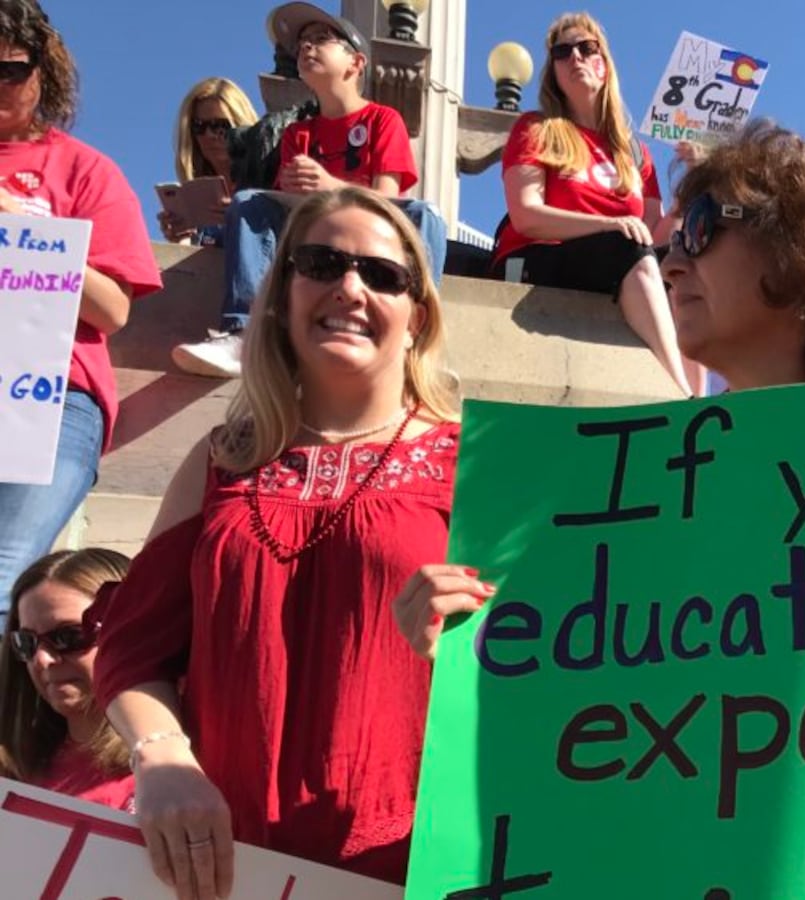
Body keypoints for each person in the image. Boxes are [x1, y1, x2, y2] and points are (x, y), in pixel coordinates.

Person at [395, 122, 805, 658]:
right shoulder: (632, 487)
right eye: (673, 242)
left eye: (699, 229)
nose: (670, 264)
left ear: (803, 244)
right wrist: (471, 643)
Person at [97, 186, 461, 894]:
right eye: (322, 263)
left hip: (412, 863)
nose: (351, 287)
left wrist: (475, 633)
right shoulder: (218, 460)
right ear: (283, 294)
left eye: (384, 275)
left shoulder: (474, 464)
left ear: (417, 318)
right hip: (230, 862)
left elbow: (539, 662)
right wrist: (163, 756)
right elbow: (132, 648)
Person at [171, 3, 447, 380]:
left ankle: (416, 342)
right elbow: (292, 207)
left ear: (356, 63)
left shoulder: (383, 119)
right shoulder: (297, 134)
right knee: (250, 201)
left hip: (372, 235)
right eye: (301, 43)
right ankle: (243, 331)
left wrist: (330, 187)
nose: (306, 48)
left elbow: (389, 198)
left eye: (321, 40)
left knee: (426, 215)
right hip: (314, 237)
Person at [0, 0, 163, 610]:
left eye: (10, 70)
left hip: (44, 395)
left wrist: (17, 231)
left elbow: (112, 309)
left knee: (3, 573)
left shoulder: (83, 168)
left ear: (46, 70)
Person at [491, 12, 693, 395]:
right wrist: (608, 224)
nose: (576, 58)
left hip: (617, 256)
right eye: (563, 52)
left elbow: (652, 235)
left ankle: (710, 395)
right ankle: (682, 395)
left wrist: (690, 188)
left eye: (587, 48)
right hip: (540, 257)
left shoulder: (634, 152)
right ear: (553, 72)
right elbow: (526, 215)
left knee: (691, 267)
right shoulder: (536, 129)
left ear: (605, 65)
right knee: (628, 245)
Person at [0, 548, 134, 810]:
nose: (42, 659)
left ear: (131, 630)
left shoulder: (179, 771)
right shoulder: (12, 767)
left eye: (68, 637)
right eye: (26, 642)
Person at [159, 77, 259, 245]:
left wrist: (246, 218)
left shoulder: (269, 185)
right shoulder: (195, 197)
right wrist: (180, 239)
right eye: (199, 126)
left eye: (220, 126)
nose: (209, 136)